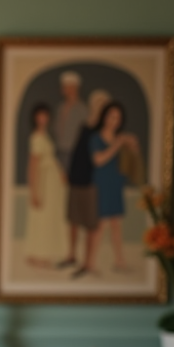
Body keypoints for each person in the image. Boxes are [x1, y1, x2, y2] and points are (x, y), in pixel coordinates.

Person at [60, 88, 111, 277]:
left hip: (92, 182)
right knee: (73, 219)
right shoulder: (84, 126)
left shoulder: (104, 131)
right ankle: (72, 255)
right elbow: (77, 152)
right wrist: (69, 173)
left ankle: (87, 262)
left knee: (90, 224)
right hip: (76, 178)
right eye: (97, 104)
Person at [89, 101, 138, 272]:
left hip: (116, 184)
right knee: (100, 225)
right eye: (111, 116)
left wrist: (131, 144)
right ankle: (92, 263)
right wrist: (117, 144)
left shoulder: (121, 138)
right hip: (101, 185)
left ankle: (119, 261)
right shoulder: (96, 138)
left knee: (116, 225)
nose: (114, 120)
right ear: (105, 117)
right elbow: (98, 160)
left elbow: (133, 160)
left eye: (117, 117)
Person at [23, 103, 67, 267]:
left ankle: (42, 253)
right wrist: (34, 190)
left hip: (52, 182)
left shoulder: (46, 136)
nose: (43, 119)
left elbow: (51, 158)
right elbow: (33, 164)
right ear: (35, 118)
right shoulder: (36, 138)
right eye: (40, 115)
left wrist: (60, 172)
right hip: (43, 182)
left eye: (45, 115)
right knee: (41, 217)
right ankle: (37, 254)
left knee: (49, 218)